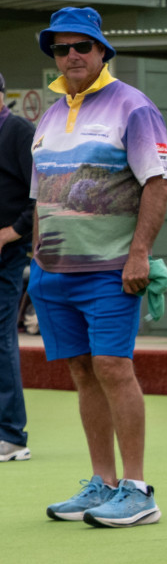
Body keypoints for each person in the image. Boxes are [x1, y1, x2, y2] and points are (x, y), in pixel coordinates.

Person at [27, 9, 167, 526]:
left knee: (114, 368)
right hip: (52, 273)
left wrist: (139, 254)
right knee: (82, 371)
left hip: (111, 269)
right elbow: (39, 197)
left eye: (83, 47)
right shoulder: (48, 116)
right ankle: (102, 483)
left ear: (102, 52)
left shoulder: (133, 107)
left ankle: (138, 489)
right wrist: (36, 261)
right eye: (62, 48)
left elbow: (158, 182)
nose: (72, 56)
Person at [1, 73, 36, 463]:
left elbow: (41, 194)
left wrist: (10, 233)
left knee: (2, 338)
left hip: (8, 256)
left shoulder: (18, 131)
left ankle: (11, 436)